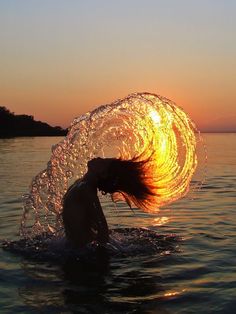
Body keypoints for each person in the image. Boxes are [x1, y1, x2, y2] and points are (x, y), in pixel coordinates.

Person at [62, 156, 157, 248]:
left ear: (103, 174)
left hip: (80, 252)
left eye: (103, 162)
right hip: (77, 249)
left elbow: (102, 226)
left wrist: (102, 253)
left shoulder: (85, 189)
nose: (99, 158)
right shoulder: (81, 184)